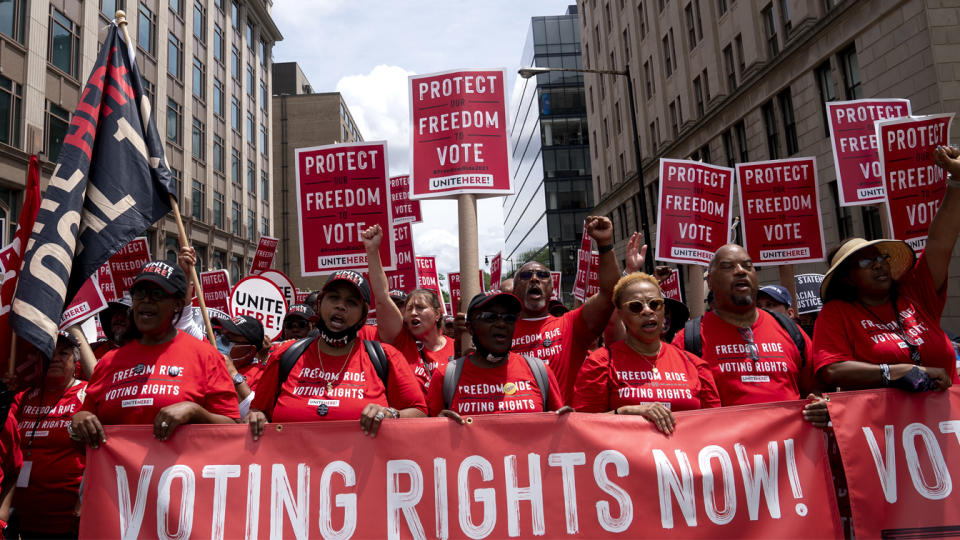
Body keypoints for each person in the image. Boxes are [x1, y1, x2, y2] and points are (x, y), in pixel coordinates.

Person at [813, 145, 960, 392]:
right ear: (848, 278)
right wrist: (893, 372)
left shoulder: (914, 291)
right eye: (865, 261)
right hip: (885, 428)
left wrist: (956, 181)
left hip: (946, 423)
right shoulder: (837, 313)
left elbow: (940, 241)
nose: (879, 263)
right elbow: (832, 369)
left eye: (880, 257)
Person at [70, 260, 240, 448]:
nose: (146, 300)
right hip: (117, 475)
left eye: (157, 294)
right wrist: (80, 421)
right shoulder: (108, 362)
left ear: (177, 304)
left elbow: (233, 429)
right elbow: (84, 430)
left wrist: (196, 412)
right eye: (140, 293)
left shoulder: (206, 356)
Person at [247, 270, 427, 438]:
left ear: (363, 315)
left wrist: (390, 414)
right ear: (320, 304)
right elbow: (257, 412)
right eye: (334, 298)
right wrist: (256, 418)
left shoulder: (386, 357)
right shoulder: (286, 355)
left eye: (351, 302)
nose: (341, 306)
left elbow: (420, 413)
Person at [672, 244, 828, 426]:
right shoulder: (687, 340)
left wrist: (821, 405)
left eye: (747, 266)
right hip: (727, 451)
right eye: (728, 266)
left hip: (792, 449)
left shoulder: (789, 330)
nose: (740, 271)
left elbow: (819, 388)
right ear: (711, 281)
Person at [574, 274, 720, 434]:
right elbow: (582, 427)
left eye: (655, 304)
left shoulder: (694, 364)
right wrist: (625, 412)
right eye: (635, 307)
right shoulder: (601, 363)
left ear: (663, 310)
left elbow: (714, 424)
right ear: (620, 314)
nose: (647, 311)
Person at [510, 216, 620, 403]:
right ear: (514, 290)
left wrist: (605, 244)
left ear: (552, 289)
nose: (535, 279)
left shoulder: (571, 324)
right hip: (521, 427)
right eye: (526, 275)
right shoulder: (502, 332)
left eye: (543, 275)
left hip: (564, 427)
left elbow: (611, 293)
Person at [427, 292, 566, 418]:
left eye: (509, 318)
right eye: (490, 317)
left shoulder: (539, 371)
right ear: (470, 327)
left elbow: (560, 433)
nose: (501, 324)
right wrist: (440, 428)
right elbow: (428, 439)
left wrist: (567, 421)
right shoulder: (445, 377)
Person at [362, 225, 454, 393]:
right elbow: (382, 298)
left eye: (420, 307)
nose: (412, 313)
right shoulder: (401, 341)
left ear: (437, 314)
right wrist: (372, 251)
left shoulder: (456, 348)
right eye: (409, 308)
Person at [11, 333, 86, 538]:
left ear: (76, 360)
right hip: (24, 517)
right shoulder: (24, 396)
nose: (55, 358)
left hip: (69, 519)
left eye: (64, 353)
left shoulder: (87, 395)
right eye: (49, 353)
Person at [213, 315, 269, 416]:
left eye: (227, 339)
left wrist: (233, 374)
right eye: (219, 334)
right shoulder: (209, 366)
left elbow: (254, 414)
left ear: (249, 350)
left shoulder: (263, 376)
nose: (218, 341)